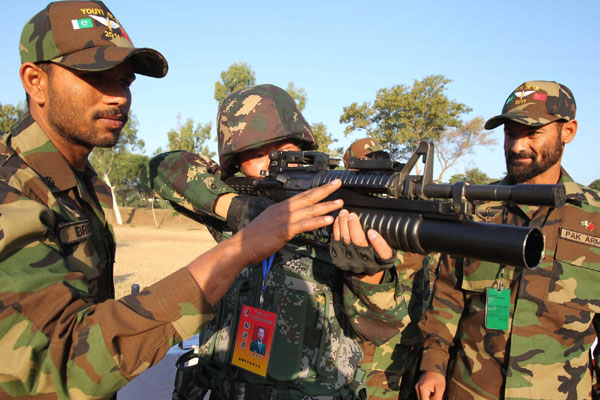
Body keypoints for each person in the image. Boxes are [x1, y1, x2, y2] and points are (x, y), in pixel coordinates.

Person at [0, 2, 345, 399]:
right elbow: (49, 365)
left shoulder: (75, 183)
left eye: (125, 81)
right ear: (34, 80)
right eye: (93, 76)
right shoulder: (13, 187)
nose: (117, 98)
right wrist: (243, 237)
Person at [150, 84, 425, 400]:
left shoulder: (337, 212)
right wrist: (243, 210)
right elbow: (162, 169)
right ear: (235, 164)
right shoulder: (238, 212)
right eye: (256, 154)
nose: (271, 163)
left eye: (285, 152)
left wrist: (369, 276)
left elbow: (382, 327)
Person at [416, 80, 600, 399]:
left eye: (532, 133)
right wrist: (433, 366)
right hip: (469, 388)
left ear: (568, 131)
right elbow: (447, 293)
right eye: (511, 133)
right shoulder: (477, 210)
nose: (517, 146)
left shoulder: (595, 219)